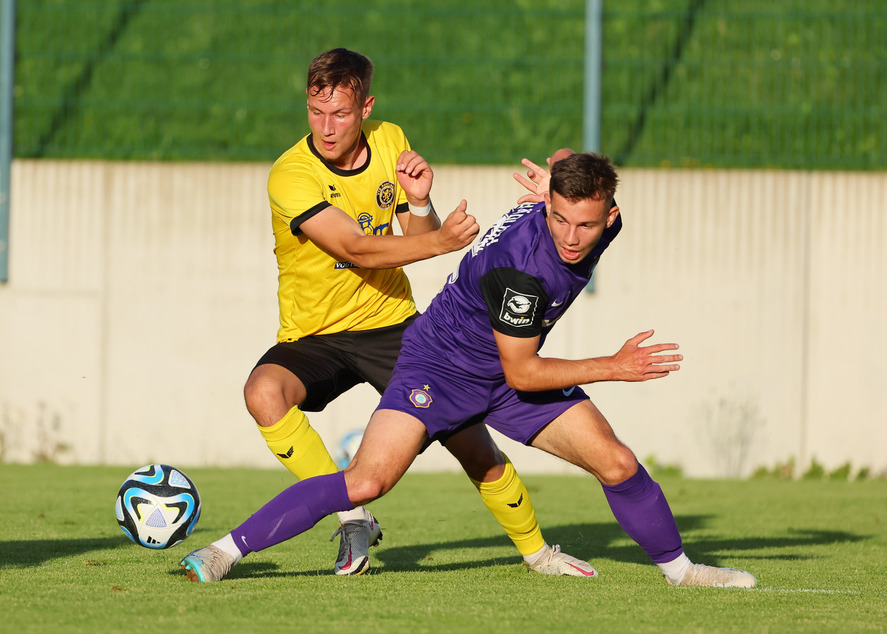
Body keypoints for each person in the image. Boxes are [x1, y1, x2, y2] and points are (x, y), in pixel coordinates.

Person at [180, 150, 758, 587]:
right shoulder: (523, 274)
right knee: (367, 481)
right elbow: (525, 374)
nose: (571, 237)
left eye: (585, 224)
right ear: (548, 206)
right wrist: (615, 365)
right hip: (441, 368)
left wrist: (559, 168)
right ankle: (226, 550)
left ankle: (682, 572)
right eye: (558, 219)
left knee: (618, 463)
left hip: (506, 369)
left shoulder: (589, 218)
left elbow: (572, 171)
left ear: (609, 215)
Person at [234, 48, 583, 578]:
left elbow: (417, 240)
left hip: (396, 328)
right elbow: (355, 248)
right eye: (315, 111)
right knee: (263, 392)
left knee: (471, 443)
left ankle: (538, 552)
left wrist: (420, 205)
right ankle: (352, 514)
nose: (327, 127)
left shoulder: (389, 141)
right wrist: (442, 239)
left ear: (367, 107)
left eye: (342, 113)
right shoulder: (290, 175)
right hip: (315, 334)